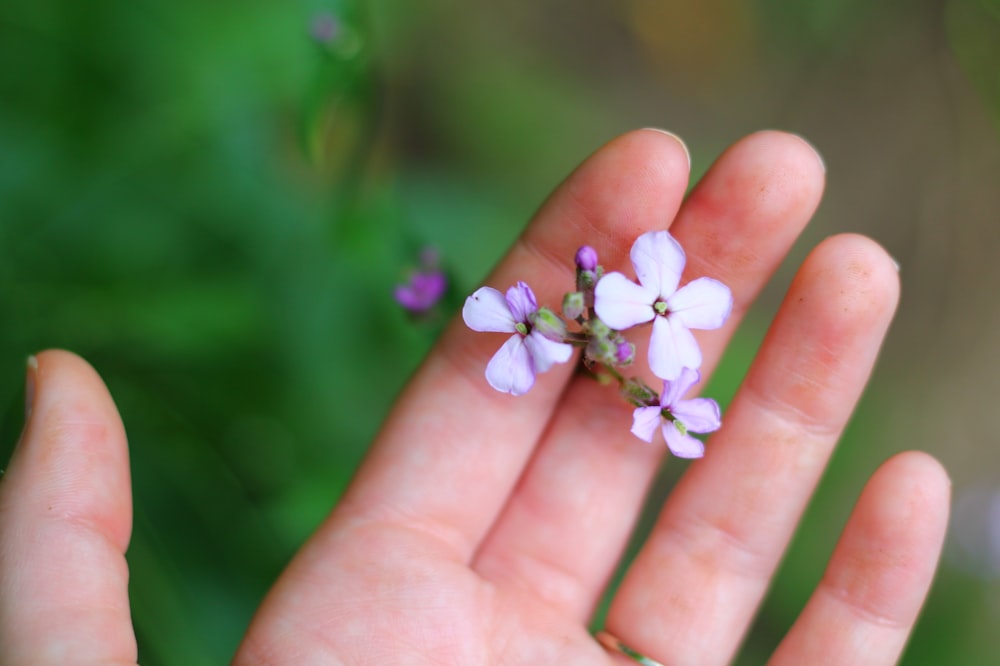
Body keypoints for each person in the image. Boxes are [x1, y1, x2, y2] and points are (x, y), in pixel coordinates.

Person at [0, 129, 949, 665]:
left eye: (662, 407)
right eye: (663, 404)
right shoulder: (606, 315)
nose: (658, 398)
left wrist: (623, 367)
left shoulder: (642, 331)